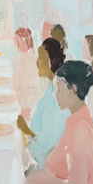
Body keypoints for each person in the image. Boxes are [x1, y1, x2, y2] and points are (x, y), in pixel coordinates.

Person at [27, 59, 93, 184]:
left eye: (59, 88)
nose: (55, 93)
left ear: (73, 89)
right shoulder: (75, 121)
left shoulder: (81, 131)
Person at [25, 37, 67, 168]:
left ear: (52, 61)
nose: (37, 62)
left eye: (41, 58)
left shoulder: (58, 97)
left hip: (48, 169)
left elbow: (44, 153)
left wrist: (26, 131)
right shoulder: (50, 88)